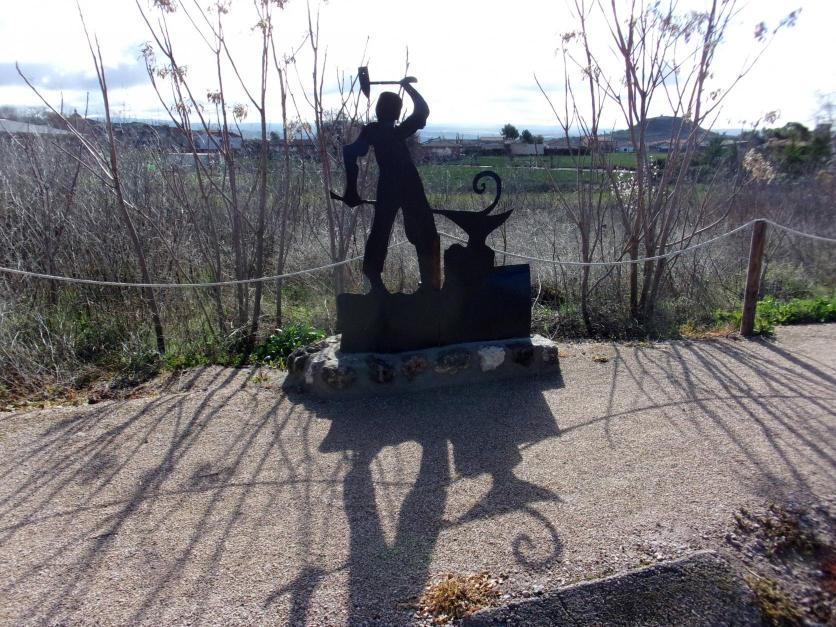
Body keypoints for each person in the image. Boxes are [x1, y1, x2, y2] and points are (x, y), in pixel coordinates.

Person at [341, 77, 439, 293]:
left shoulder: (373, 131)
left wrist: (351, 189)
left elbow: (350, 152)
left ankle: (377, 279)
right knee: (423, 231)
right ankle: (428, 284)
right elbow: (422, 111)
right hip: (408, 184)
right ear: (396, 113)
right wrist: (408, 87)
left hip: (389, 185)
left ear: (378, 110)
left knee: (382, 230)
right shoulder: (395, 132)